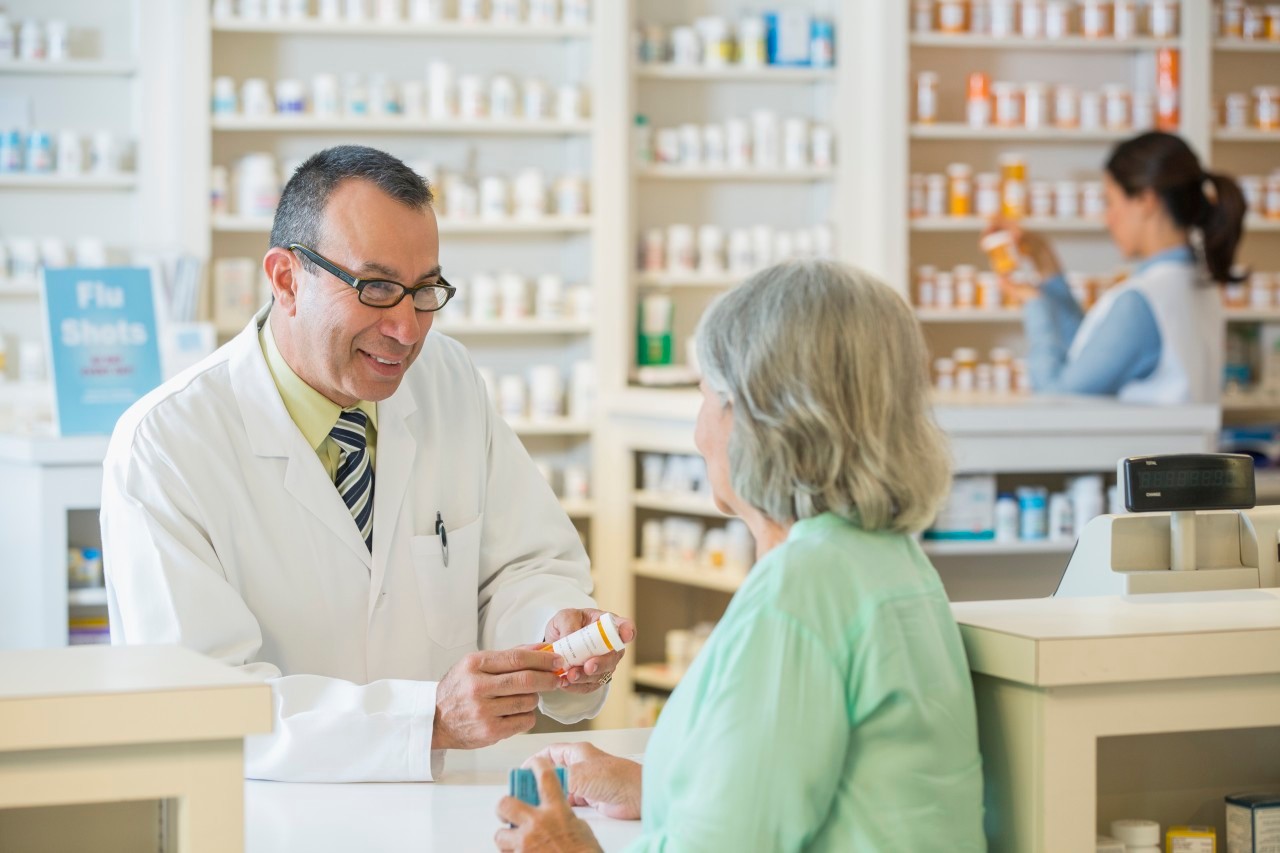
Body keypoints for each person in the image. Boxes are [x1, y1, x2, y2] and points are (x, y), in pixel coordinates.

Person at [100, 145, 633, 783]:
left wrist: (555, 628)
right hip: (260, 819)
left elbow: (521, 564)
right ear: (286, 279)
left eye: (425, 290)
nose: (407, 329)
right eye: (376, 288)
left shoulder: (448, 380)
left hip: (445, 804)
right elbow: (201, 702)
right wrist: (424, 720)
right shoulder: (166, 445)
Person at [495, 260, 986, 852]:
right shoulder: (887, 561)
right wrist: (655, 788)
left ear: (758, 419)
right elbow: (824, 791)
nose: (700, 430)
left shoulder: (801, 592)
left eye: (706, 397)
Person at [987, 131, 1245, 404]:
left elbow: (1056, 398)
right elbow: (1092, 357)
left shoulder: (1141, 302)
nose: (1106, 218)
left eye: (1110, 202)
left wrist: (1034, 304)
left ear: (1146, 200)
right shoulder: (1196, 282)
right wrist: (1047, 266)